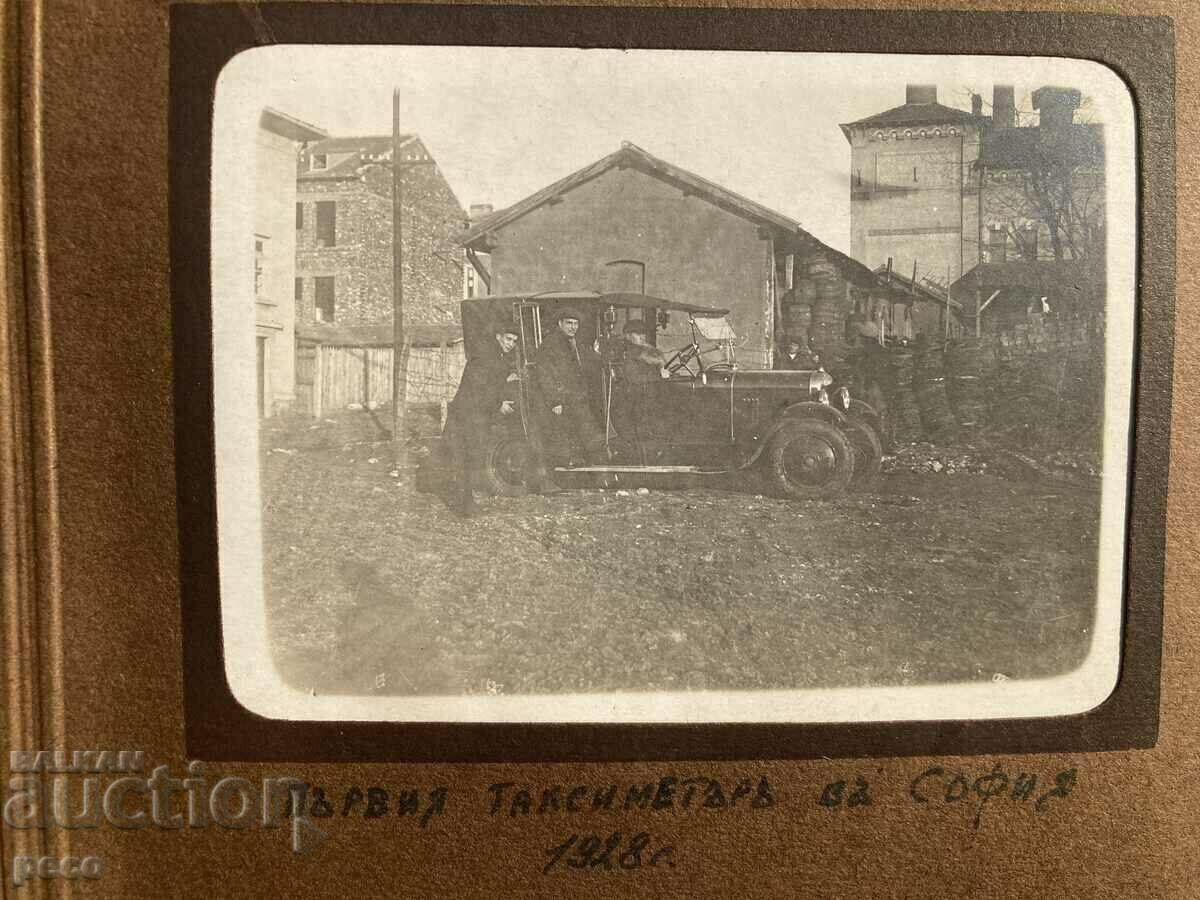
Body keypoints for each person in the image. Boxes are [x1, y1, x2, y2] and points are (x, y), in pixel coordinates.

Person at [442, 320, 520, 516]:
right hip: (468, 415)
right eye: (508, 339)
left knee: (472, 457)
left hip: (475, 414)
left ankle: (466, 502)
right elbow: (479, 389)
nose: (511, 344)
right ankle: (464, 506)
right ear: (498, 336)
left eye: (514, 341)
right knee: (469, 457)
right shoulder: (486, 356)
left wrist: (506, 378)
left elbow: (491, 380)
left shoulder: (494, 354)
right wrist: (498, 404)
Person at [533, 307, 606, 465]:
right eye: (569, 323)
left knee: (584, 431)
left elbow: (586, 363)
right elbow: (544, 374)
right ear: (560, 323)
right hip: (563, 398)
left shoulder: (575, 342)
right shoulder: (550, 344)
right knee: (569, 434)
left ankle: (585, 465)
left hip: (577, 396)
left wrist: (598, 355)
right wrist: (555, 401)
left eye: (575, 323)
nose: (573, 327)